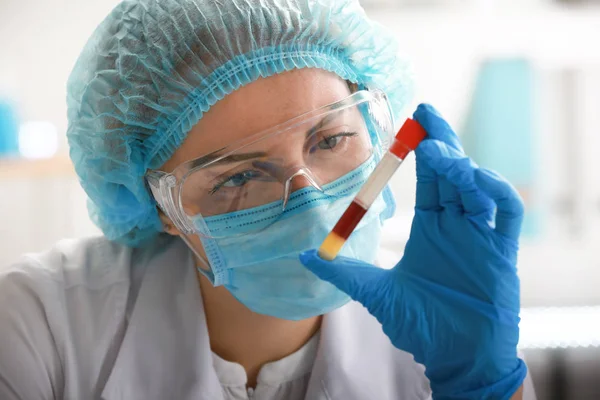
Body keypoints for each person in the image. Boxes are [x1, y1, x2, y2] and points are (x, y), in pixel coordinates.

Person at [0, 0, 537, 399]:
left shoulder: (441, 335)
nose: (311, 204)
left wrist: (485, 386)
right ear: (160, 208)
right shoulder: (44, 328)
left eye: (330, 140)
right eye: (237, 177)